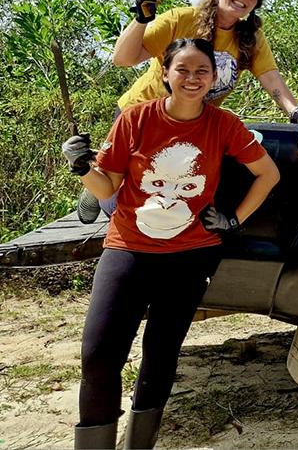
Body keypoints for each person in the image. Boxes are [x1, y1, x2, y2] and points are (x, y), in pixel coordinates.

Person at [61, 38, 281, 449]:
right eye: (183, 69)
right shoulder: (136, 119)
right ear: (165, 73)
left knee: (160, 356)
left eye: (202, 71)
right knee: (99, 354)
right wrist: (81, 168)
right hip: (128, 247)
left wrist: (234, 219)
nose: (192, 78)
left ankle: (139, 444)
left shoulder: (224, 125)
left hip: (190, 257)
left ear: (213, 78)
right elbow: (107, 184)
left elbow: (268, 174)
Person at [78, 0, 298, 223]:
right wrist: (141, 18)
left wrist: (297, 113)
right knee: (122, 194)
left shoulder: (250, 38)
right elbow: (123, 58)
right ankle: (97, 188)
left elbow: (270, 77)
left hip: (192, 124)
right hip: (141, 116)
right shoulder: (181, 20)